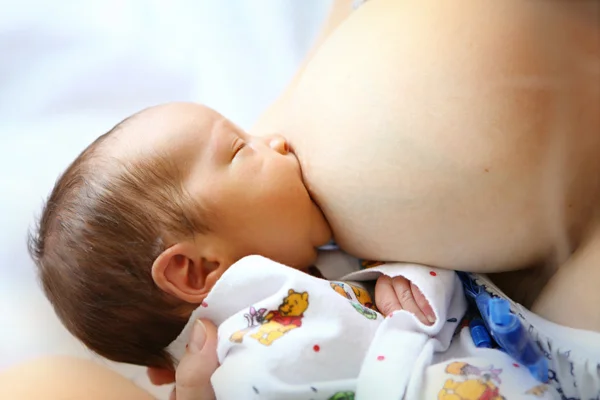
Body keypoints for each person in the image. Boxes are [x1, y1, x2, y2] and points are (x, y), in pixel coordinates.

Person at [4, 0, 598, 399]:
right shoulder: (250, 357)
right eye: (242, 151)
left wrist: (404, 283)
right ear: (195, 269)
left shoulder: (323, 279)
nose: (277, 138)